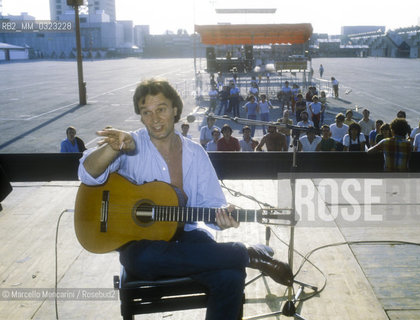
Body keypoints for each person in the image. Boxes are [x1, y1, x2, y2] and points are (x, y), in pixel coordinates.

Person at [78, 79, 293, 320]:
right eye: (146, 112)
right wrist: (113, 148)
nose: (155, 119)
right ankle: (246, 254)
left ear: (175, 110)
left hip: (187, 236)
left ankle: (240, 255)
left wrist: (222, 217)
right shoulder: (129, 144)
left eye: (161, 109)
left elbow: (212, 206)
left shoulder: (196, 154)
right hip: (140, 244)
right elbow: (87, 173)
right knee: (144, 258)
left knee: (231, 277)